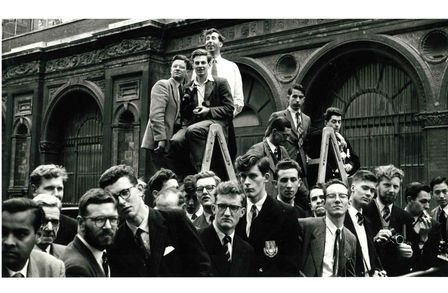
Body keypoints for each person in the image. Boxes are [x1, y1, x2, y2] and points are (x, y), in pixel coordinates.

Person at [99, 164, 211, 277]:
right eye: (113, 198)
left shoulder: (175, 220)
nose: (121, 202)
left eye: (125, 193)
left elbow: (202, 267)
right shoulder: (116, 243)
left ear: (139, 189)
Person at [168, 49, 234, 175]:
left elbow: (229, 108)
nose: (200, 66)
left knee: (194, 130)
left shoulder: (220, 83)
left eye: (203, 63)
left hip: (215, 122)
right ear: (192, 65)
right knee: (176, 141)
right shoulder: (188, 86)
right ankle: (186, 175)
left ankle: (201, 173)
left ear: (209, 64)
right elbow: (185, 114)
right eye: (197, 63)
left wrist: (208, 110)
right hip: (192, 123)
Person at [234, 153, 301, 276]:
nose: (247, 182)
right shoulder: (234, 210)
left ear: (266, 177)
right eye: (243, 176)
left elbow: (290, 266)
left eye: (253, 176)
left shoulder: (285, 214)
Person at [363, 164, 415, 276]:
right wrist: (374, 240)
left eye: (395, 187)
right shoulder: (363, 212)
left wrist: (409, 254)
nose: (392, 190)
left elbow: (415, 258)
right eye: (387, 185)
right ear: (377, 186)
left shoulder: (405, 217)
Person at [299, 179, 357, 277]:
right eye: (332, 196)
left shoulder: (351, 238)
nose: (337, 200)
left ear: (349, 203)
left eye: (342, 196)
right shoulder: (305, 226)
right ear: (324, 202)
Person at [141, 55, 190, 170]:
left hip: (173, 141)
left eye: (181, 67)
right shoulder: (163, 85)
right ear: (170, 69)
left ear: (187, 71)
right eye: (175, 66)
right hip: (160, 143)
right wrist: (161, 140)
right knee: (165, 178)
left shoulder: (183, 89)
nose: (177, 69)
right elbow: (156, 115)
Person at [198, 181, 254, 276]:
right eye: (222, 206)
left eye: (233, 207)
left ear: (242, 212)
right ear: (214, 208)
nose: (227, 213)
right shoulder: (197, 241)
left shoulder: (247, 250)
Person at [61, 188, 118, 277]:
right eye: (99, 219)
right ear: (81, 223)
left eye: (113, 219)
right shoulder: (77, 268)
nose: (108, 226)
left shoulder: (99, 253)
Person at [2, 197, 65, 277]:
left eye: (21, 234)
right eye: (3, 232)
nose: (9, 242)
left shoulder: (53, 268)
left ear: (38, 235)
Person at [344, 170, 384, 276]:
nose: (368, 194)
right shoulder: (341, 217)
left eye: (372, 190)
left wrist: (376, 271)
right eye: (365, 188)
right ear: (352, 188)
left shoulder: (367, 221)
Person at [269, 84, 311, 186]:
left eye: (300, 97)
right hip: (283, 163)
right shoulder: (277, 116)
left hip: (301, 166)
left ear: (304, 99)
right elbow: (268, 140)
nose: (297, 100)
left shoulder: (306, 119)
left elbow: (305, 141)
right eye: (294, 96)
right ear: (288, 98)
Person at [307, 107, 360, 185]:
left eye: (339, 122)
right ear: (326, 122)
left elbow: (355, 160)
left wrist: (350, 165)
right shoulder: (317, 137)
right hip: (325, 181)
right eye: (334, 122)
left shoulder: (343, 139)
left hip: (342, 180)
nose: (337, 125)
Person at [29, 164, 77, 245]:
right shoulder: (18, 221)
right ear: (34, 190)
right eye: (50, 188)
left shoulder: (72, 227)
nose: (56, 194)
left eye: (59, 189)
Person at [245, 116, 292, 197]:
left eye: (288, 136)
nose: (287, 139)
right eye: (284, 135)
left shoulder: (283, 150)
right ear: (274, 132)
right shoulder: (257, 150)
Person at [404, 182, 441, 272]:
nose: (427, 206)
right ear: (409, 200)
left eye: (429, 202)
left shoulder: (434, 226)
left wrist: (423, 240)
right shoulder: (395, 218)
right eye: (423, 201)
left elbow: (429, 263)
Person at [32, 194, 66, 258]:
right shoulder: (18, 254)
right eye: (43, 221)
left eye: (54, 222)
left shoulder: (66, 254)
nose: (49, 228)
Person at [430, 176, 448, 242]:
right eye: (437, 192)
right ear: (432, 194)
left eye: (444, 191)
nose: (441, 196)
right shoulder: (432, 214)